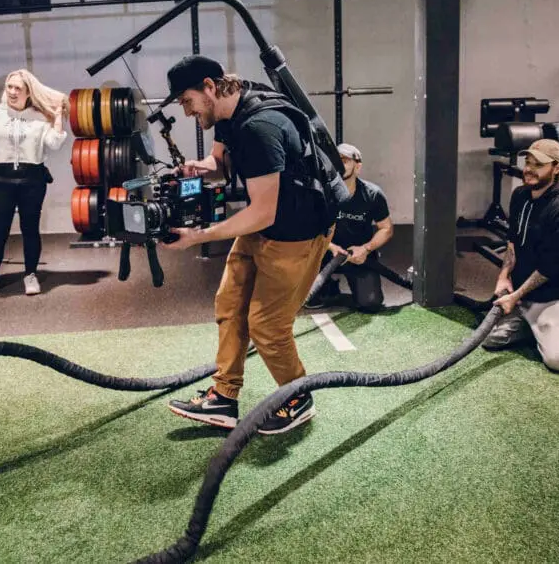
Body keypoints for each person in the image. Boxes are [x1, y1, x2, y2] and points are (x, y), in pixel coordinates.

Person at [159, 55, 334, 435]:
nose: (187, 111)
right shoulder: (228, 110)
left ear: (209, 86)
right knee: (229, 303)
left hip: (297, 231)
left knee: (267, 325)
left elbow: (262, 213)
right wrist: (198, 168)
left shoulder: (260, 127)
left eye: (187, 101)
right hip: (268, 222)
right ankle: (223, 397)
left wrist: (200, 237)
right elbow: (220, 166)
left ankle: (297, 396)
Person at [484, 138, 559, 372]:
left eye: (538, 165)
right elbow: (512, 244)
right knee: (490, 339)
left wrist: (514, 296)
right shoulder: (520, 195)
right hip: (527, 296)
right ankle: (539, 326)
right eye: (528, 162)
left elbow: (550, 268)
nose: (528, 169)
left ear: (556, 168)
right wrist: (504, 276)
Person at [0, 69, 68, 299]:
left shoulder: (40, 117)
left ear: (28, 92)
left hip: (32, 180)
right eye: (9, 87)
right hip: (1, 180)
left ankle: (31, 275)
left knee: (30, 229)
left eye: (18, 88)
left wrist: (57, 118)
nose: (12, 92)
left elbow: (54, 144)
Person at [304, 143, 393, 313]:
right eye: (335, 161)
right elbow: (309, 227)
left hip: (358, 256)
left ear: (358, 166)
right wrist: (330, 246)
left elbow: (386, 228)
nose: (338, 165)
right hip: (325, 254)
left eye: (344, 161)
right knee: (306, 297)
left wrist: (365, 249)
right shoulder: (321, 193)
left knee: (371, 302)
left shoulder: (372, 194)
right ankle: (327, 287)